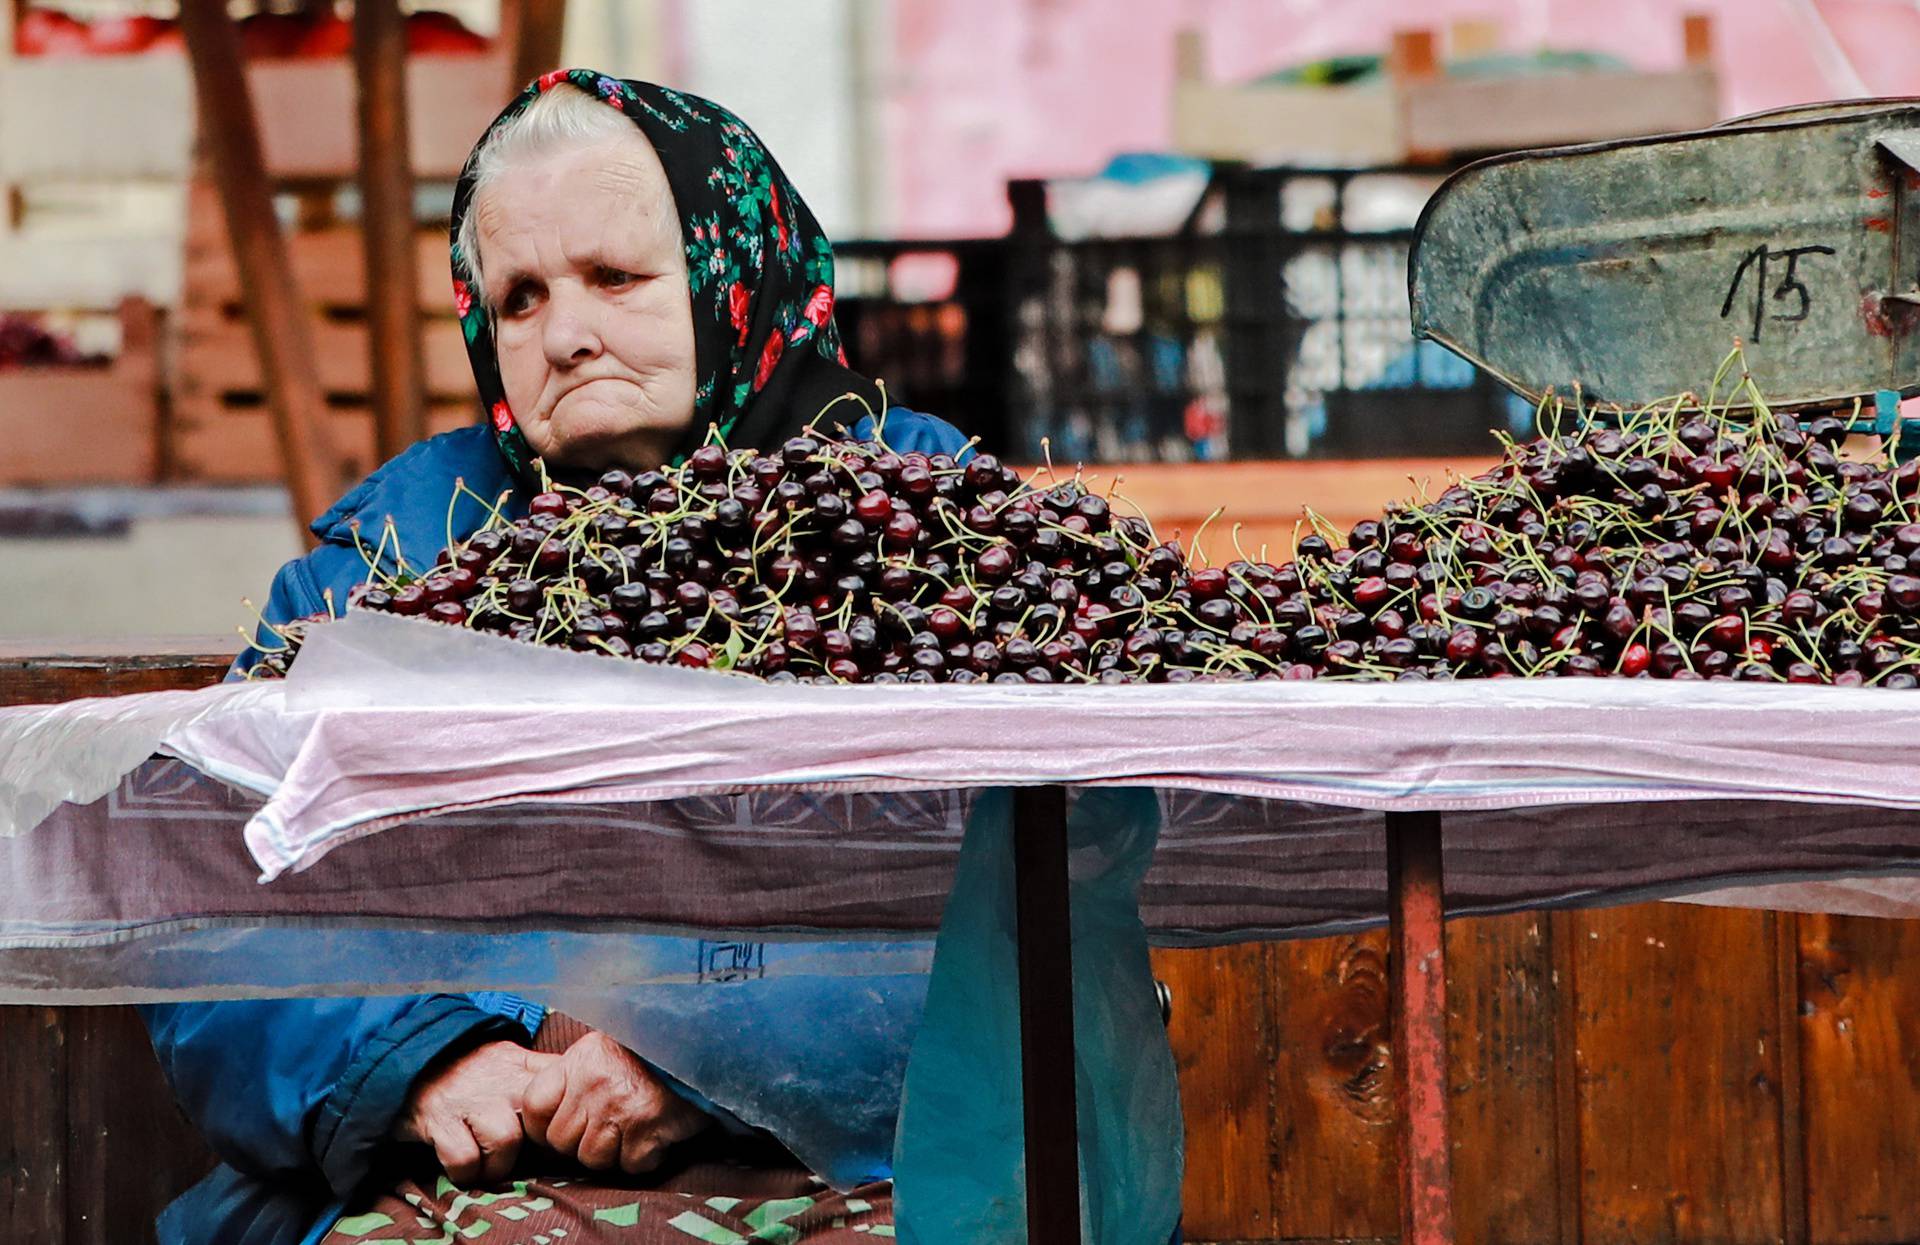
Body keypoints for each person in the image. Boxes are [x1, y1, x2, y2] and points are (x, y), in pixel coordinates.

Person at [140, 72, 972, 1245]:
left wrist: (706, 1055)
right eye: (518, 297)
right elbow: (209, 899)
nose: (565, 334)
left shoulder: (927, 537)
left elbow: (1020, 907)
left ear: (738, 272)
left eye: (617, 279)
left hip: (860, 1166)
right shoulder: (385, 563)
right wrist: (426, 1063)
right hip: (449, 1179)